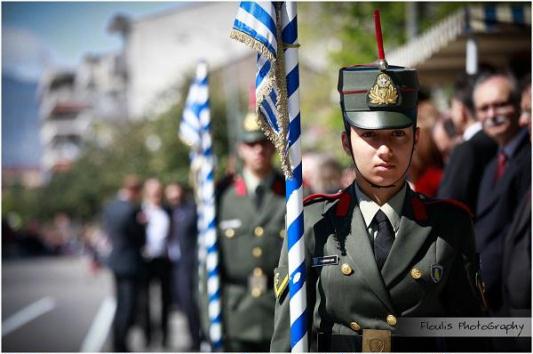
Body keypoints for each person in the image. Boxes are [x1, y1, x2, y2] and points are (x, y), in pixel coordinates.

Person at [271, 61, 486, 352]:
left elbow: (470, 334)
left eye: (398, 134)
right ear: (346, 142)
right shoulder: (312, 222)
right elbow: (288, 336)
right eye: (369, 135)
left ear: (416, 140)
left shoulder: (449, 224)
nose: (385, 149)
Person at [215, 111, 286, 351]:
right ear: (240, 148)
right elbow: (208, 267)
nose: (259, 150)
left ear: (274, 146)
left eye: (265, 143)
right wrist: (209, 319)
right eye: (251, 143)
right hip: (236, 313)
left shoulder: (293, 194)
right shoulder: (222, 198)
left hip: (280, 311)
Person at [473, 71, 531, 315]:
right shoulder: (489, 166)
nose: (492, 115)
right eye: (484, 108)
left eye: (500, 105)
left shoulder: (527, 160)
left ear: (518, 106)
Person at [437, 75, 498, 213]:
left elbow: (448, 202)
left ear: (461, 109)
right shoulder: (497, 140)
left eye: (452, 106)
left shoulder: (466, 149)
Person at [102, 175, 146, 352]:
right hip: (130, 263)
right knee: (127, 307)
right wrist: (143, 224)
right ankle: (121, 345)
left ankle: (117, 342)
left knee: (120, 304)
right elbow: (139, 238)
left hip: (116, 261)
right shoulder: (131, 210)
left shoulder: (110, 207)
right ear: (135, 190)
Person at [165, 182, 201, 351]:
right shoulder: (169, 212)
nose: (173, 197)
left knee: (191, 303)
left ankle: (198, 341)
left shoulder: (191, 210)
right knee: (182, 305)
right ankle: (193, 338)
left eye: (176, 193)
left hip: (189, 265)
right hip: (174, 266)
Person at [140, 178, 172, 348]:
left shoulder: (168, 210)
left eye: (158, 190)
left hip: (163, 260)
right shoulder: (140, 210)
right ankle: (148, 337)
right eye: (152, 190)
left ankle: (165, 337)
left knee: (165, 300)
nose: (155, 194)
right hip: (145, 261)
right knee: (145, 301)